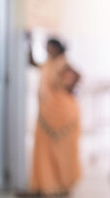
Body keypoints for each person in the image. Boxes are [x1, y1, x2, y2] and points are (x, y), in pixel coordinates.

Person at [26, 37, 82, 197]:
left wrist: (67, 88)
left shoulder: (63, 63)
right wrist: (28, 43)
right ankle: (44, 186)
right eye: (46, 47)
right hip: (47, 114)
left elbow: (78, 76)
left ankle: (63, 184)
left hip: (62, 114)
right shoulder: (48, 63)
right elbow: (33, 63)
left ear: (57, 48)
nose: (48, 50)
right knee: (45, 152)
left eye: (50, 47)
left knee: (62, 152)